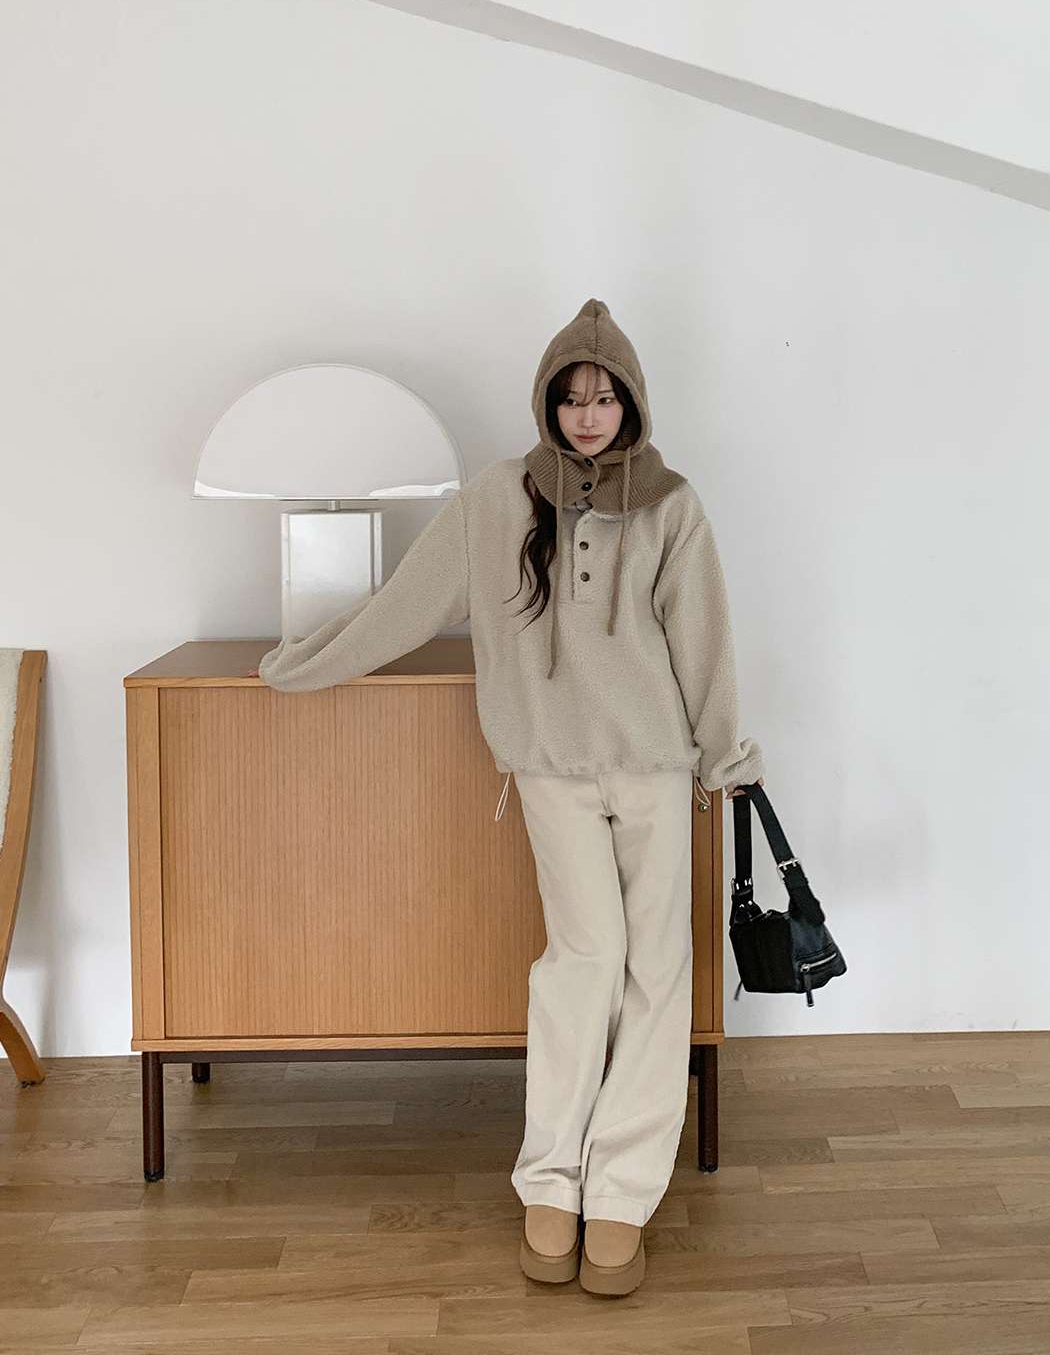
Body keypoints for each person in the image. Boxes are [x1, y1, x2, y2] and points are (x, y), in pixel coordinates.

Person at [253, 297, 764, 1297]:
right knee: (584, 963)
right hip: (548, 770)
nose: (587, 415)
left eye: (603, 397)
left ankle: (622, 1192)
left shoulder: (672, 504)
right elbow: (405, 604)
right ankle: (553, 1179)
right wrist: (305, 663)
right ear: (547, 404)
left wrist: (724, 755)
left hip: (656, 768)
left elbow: (705, 642)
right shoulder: (496, 499)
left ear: (631, 403)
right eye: (570, 398)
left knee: (658, 970)